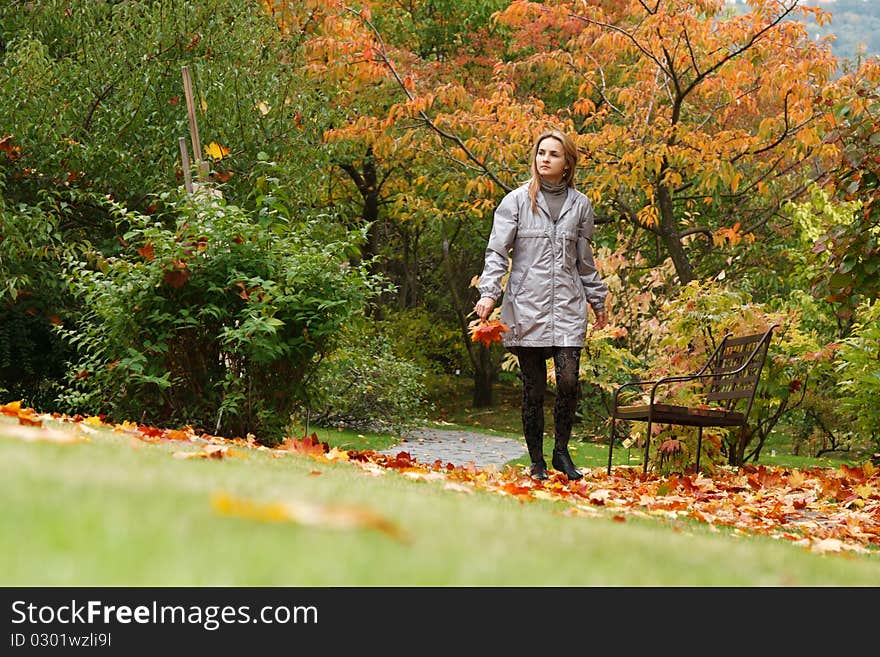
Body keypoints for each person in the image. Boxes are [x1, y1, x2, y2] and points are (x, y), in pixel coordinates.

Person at [474, 129, 608, 481]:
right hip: (525, 307)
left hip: (567, 306)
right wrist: (489, 293)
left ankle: (561, 452)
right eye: (541, 153)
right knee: (533, 389)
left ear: (567, 164)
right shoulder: (515, 202)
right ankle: (537, 462)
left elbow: (585, 261)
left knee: (568, 381)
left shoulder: (580, 206)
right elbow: (497, 252)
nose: (545, 158)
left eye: (554, 154)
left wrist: (599, 301)